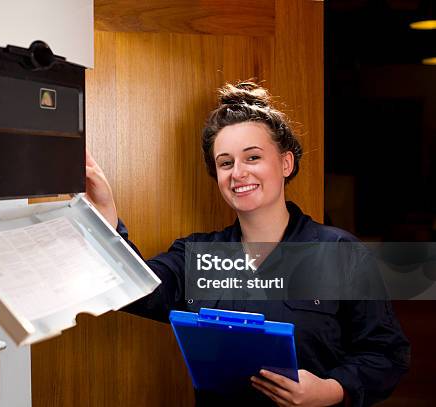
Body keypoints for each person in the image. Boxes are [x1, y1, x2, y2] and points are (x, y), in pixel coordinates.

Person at [85, 81, 410, 406]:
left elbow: (386, 353)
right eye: (226, 163)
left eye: (252, 157)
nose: (238, 173)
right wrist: (105, 218)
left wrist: (330, 390)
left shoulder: (341, 253)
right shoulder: (196, 256)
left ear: (285, 163)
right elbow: (137, 289)